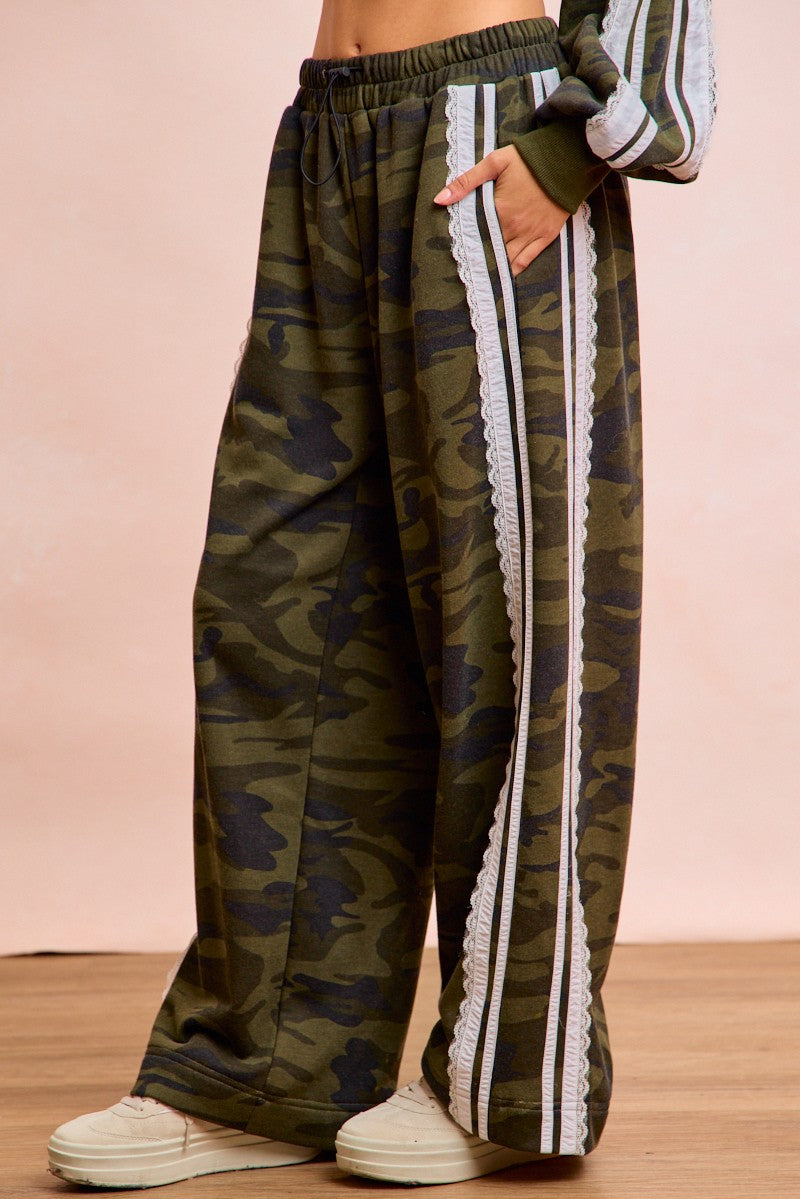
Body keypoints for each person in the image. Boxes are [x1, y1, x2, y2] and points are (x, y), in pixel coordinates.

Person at [47, 0, 716, 1188]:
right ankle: (269, 1070)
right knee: (284, 602)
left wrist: (570, 147)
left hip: (490, 138)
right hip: (329, 132)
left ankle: (502, 1080)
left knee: (507, 627)